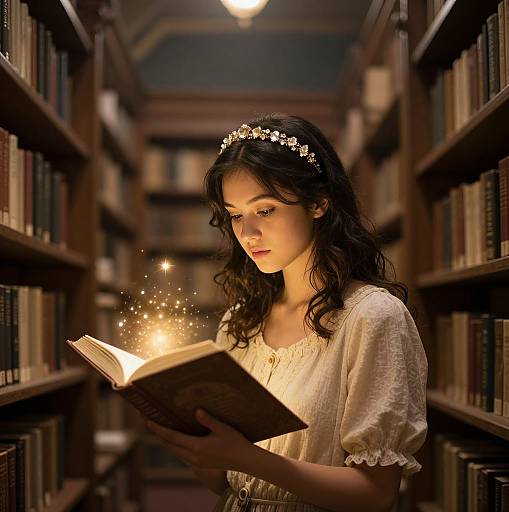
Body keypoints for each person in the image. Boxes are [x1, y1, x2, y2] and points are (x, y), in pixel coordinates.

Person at [146, 113, 428, 512]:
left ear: (318, 203)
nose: (247, 233)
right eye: (235, 214)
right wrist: (194, 443)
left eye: (265, 210)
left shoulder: (373, 318)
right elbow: (223, 484)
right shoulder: (240, 321)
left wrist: (246, 458)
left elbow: (376, 493)